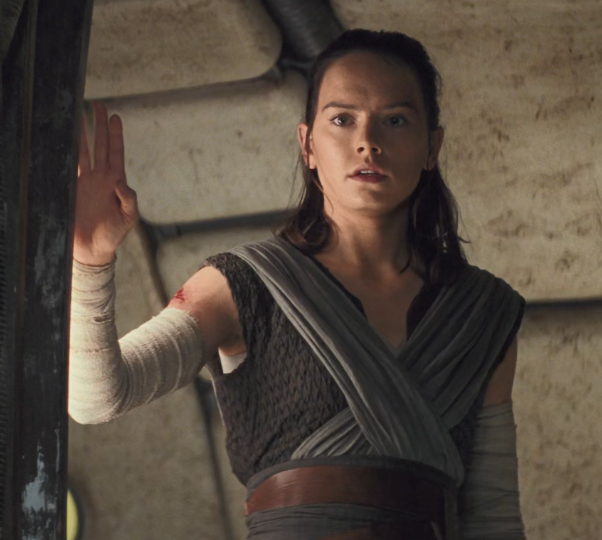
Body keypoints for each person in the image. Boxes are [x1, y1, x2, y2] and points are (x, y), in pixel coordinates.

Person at [68, 29, 526, 540]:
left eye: (396, 120)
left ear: (431, 147)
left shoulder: (481, 312)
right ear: (308, 145)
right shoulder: (242, 284)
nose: (367, 141)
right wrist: (91, 262)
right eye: (342, 119)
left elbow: (495, 519)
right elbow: (96, 398)